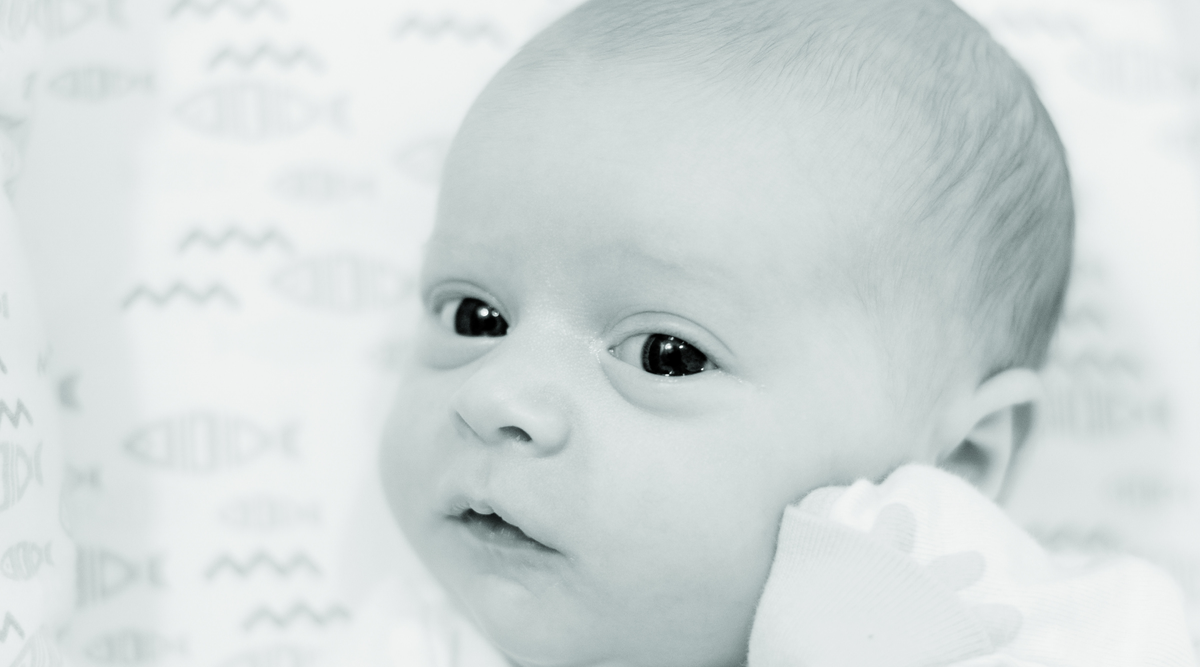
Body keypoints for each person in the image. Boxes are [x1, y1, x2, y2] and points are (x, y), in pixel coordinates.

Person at [376, 0, 1198, 664]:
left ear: (955, 464)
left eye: (668, 355)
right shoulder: (416, 639)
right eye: (474, 317)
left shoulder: (1043, 631)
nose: (493, 394)